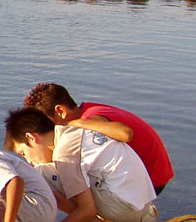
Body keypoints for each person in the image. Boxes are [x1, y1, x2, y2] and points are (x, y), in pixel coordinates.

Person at [4, 107, 156, 222]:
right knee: (55, 172)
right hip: (139, 203)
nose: (29, 161)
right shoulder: (74, 133)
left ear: (31, 137)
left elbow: (87, 209)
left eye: (23, 153)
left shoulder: (65, 152)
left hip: (124, 207)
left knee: (40, 176)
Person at [24, 82, 173, 195]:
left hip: (151, 180)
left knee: (63, 175)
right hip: (153, 174)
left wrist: (78, 123)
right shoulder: (88, 108)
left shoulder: (91, 118)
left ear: (60, 111)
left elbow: (125, 133)